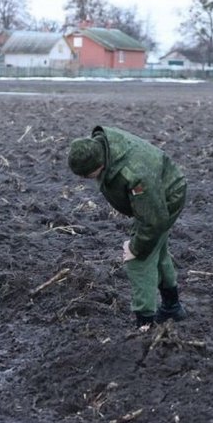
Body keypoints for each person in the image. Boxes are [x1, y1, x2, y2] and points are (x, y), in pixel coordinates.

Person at [68, 125, 188, 327]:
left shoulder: (135, 174)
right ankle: (172, 307)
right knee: (157, 250)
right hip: (157, 192)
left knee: (140, 260)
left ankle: (145, 323)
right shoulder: (101, 145)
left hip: (166, 197)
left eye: (88, 175)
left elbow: (153, 221)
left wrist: (134, 248)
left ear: (100, 164)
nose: (88, 180)